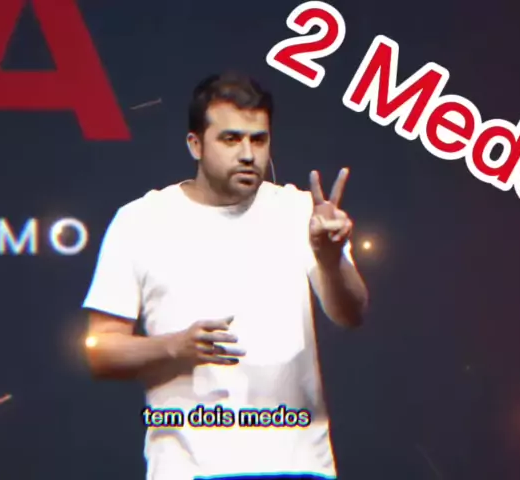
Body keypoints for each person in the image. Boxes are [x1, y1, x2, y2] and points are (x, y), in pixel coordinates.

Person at [82, 72, 369, 480]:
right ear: (195, 144)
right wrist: (174, 346)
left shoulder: (300, 212)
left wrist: (330, 258)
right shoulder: (141, 221)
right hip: (187, 470)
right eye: (231, 139)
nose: (248, 154)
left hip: (299, 467)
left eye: (259, 140)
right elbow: (101, 350)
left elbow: (351, 314)